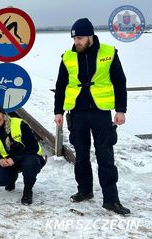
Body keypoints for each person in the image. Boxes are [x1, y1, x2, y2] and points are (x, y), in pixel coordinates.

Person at [54, 18, 130, 215]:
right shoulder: (68, 57)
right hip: (77, 113)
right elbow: (61, 85)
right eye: (74, 38)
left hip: (100, 112)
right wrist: (58, 112)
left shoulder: (109, 53)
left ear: (90, 36)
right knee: (81, 156)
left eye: (80, 38)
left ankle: (111, 200)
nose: (76, 42)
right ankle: (85, 190)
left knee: (105, 156)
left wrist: (121, 109)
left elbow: (120, 81)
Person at [0, 100, 46, 205]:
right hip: (9, 162)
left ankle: (27, 191)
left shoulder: (19, 124)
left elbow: (33, 146)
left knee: (31, 163)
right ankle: (11, 178)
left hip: (27, 157)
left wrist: (14, 159)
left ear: (3, 114)